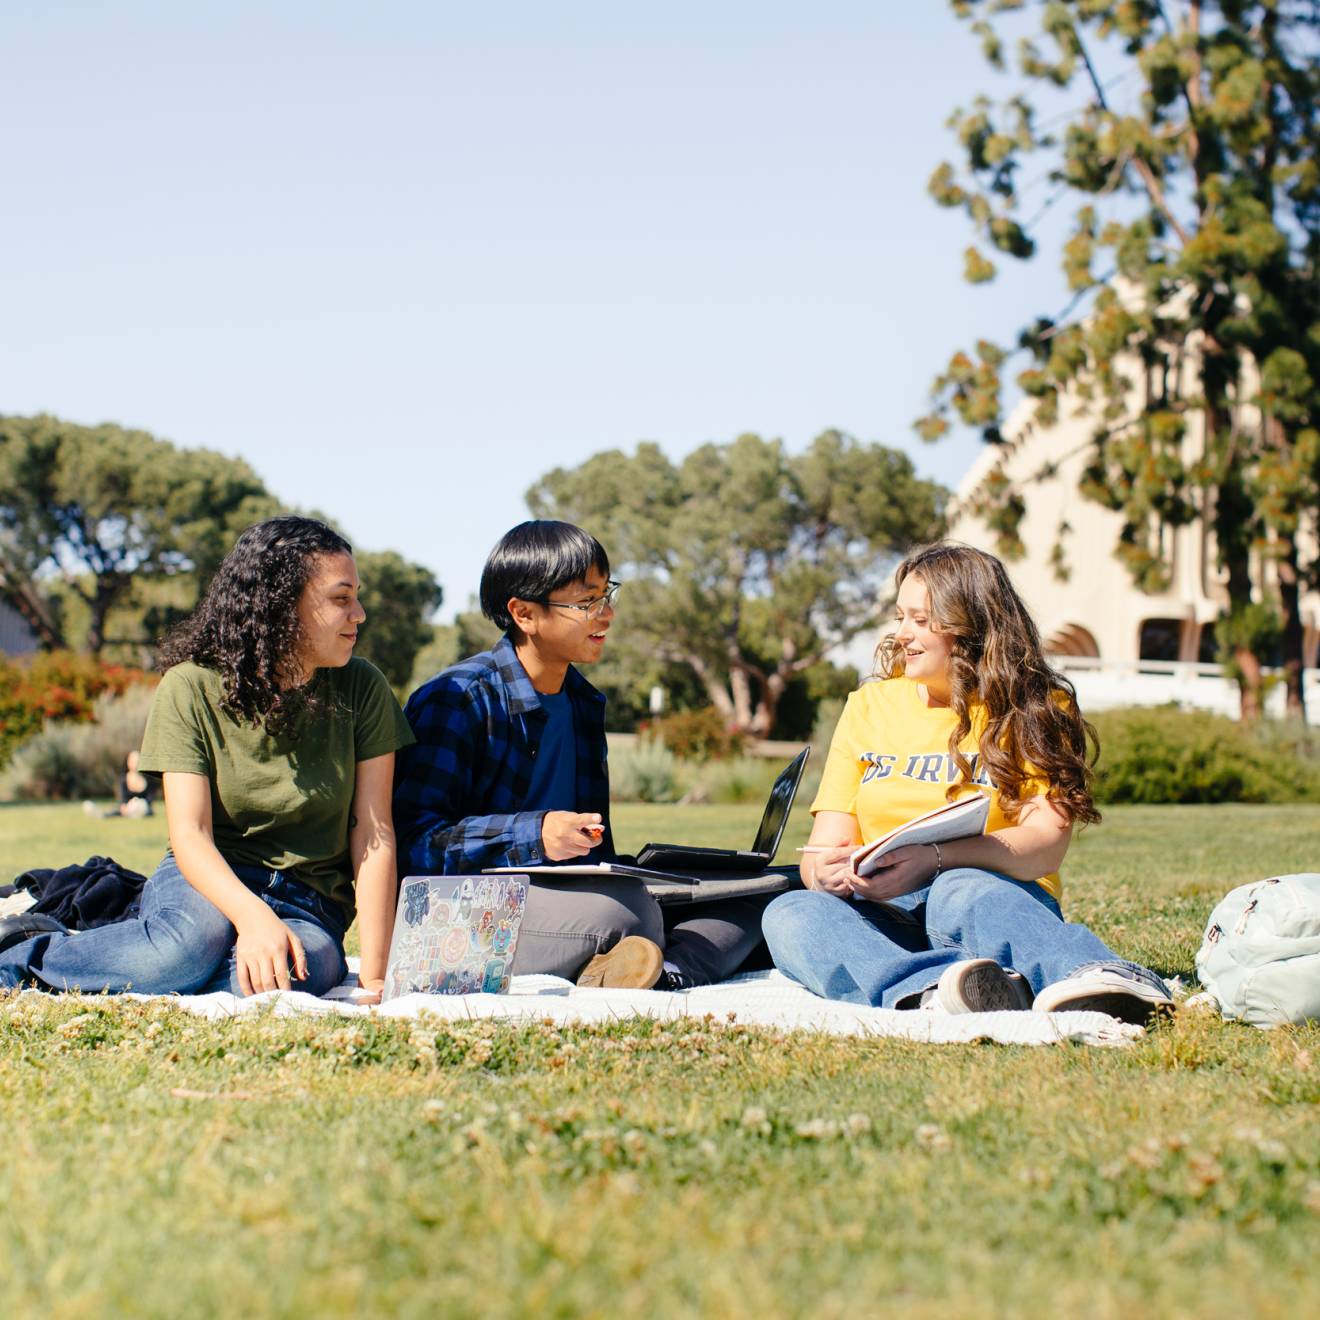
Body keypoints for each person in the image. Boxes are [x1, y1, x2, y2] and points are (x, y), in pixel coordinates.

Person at [0, 516, 415, 1001]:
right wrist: (254, 917)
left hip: (308, 904)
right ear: (281, 605)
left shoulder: (363, 687)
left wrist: (376, 976)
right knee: (186, 952)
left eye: (357, 596)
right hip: (204, 882)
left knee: (287, 975)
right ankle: (23, 953)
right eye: (341, 598)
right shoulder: (190, 686)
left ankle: (133, 958)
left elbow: (373, 835)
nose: (359, 613)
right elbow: (190, 836)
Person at [762, 542, 1174, 1024]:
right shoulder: (869, 707)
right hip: (883, 911)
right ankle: (935, 992)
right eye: (900, 618)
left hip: (987, 900)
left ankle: (1097, 976)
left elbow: (1045, 844)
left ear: (970, 624)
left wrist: (936, 859)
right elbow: (821, 851)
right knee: (790, 911)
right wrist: (827, 874)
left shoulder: (1037, 707)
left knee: (957, 888)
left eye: (920, 620)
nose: (901, 635)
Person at [393, 520, 770, 990]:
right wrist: (535, 833)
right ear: (524, 613)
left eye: (606, 595)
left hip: (567, 897)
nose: (606, 615)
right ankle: (649, 957)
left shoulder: (584, 704)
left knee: (761, 895)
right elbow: (413, 843)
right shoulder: (458, 699)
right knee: (623, 910)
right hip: (462, 910)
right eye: (586, 602)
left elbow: (595, 851)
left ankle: (663, 970)